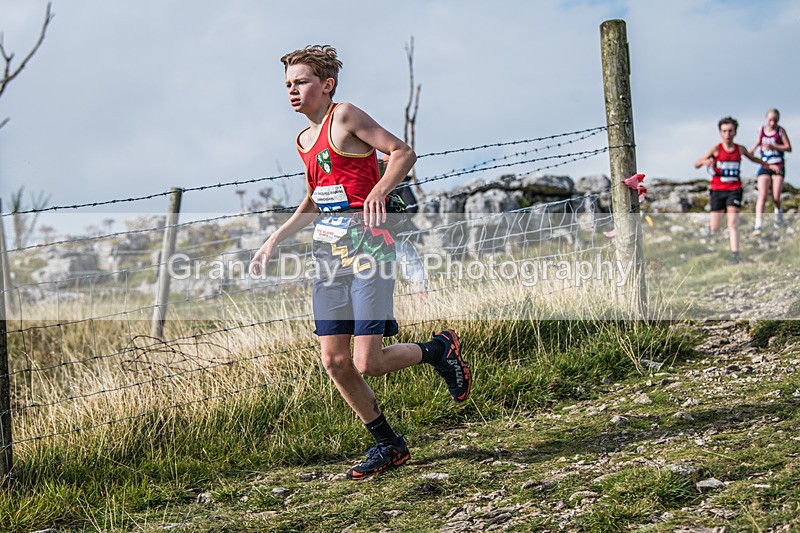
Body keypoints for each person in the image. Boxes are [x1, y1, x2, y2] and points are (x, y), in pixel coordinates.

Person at [249, 45, 471, 479]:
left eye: (302, 82)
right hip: (328, 257)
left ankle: (438, 350)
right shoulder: (303, 141)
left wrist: (378, 191)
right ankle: (388, 445)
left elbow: (402, 152)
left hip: (370, 250)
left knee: (368, 362)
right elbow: (316, 198)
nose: (293, 91)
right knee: (335, 362)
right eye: (288, 85)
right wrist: (274, 238)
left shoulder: (345, 116)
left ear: (327, 85)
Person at [694, 116, 779, 265]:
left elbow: (753, 159)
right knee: (715, 227)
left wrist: (768, 165)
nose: (727, 134)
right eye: (724, 131)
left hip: (734, 189)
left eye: (730, 131)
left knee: (733, 223)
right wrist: (704, 162)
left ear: (735, 132)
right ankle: (715, 251)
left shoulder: (740, 149)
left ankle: (735, 255)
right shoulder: (716, 149)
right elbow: (697, 164)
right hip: (717, 190)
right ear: (720, 132)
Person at [750, 108, 792, 235]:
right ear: (766, 119)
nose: (772, 123)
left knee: (775, 196)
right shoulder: (762, 129)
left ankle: (778, 212)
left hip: (778, 165)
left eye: (775, 120)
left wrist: (774, 146)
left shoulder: (780, 131)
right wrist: (752, 150)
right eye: (770, 120)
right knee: (762, 195)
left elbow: (788, 148)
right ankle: (758, 224)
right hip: (765, 165)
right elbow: (760, 140)